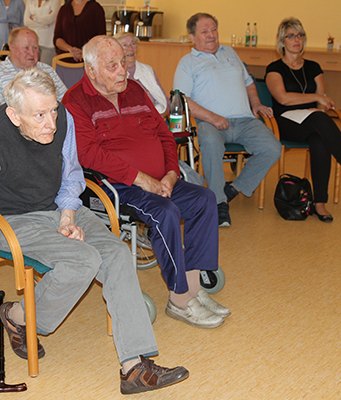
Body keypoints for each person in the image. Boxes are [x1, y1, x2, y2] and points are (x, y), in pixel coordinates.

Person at [0, 68, 189, 395]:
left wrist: (67, 217)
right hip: (10, 218)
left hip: (56, 209)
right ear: (14, 115)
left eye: (53, 110)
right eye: (39, 115)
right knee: (83, 260)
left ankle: (133, 366)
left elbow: (71, 176)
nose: (51, 122)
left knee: (118, 254)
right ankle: (19, 316)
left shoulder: (60, 118)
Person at [63, 36, 230, 329]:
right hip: (115, 187)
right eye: (112, 65)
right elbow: (88, 154)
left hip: (158, 180)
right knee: (165, 212)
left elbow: (165, 136)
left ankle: (193, 288)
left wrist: (169, 174)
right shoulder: (76, 101)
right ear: (90, 70)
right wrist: (143, 180)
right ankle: (179, 300)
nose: (122, 71)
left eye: (124, 63)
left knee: (204, 200)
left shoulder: (136, 90)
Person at [265, 17, 341, 222]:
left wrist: (318, 105)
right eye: (291, 36)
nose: (296, 40)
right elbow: (283, 98)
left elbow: (324, 103)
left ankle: (319, 203)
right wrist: (316, 99)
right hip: (285, 122)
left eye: (300, 35)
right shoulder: (275, 69)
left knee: (320, 139)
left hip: (311, 119)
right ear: (282, 41)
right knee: (319, 121)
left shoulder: (313, 67)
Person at [173, 13, 282, 227]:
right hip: (210, 122)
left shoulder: (230, 52)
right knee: (211, 144)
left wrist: (257, 104)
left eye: (214, 29)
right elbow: (181, 98)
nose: (211, 35)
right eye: (205, 32)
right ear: (192, 37)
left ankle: (233, 188)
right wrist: (212, 118)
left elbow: (249, 83)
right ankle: (219, 203)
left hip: (245, 120)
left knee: (272, 148)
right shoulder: (187, 63)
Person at [0, 27, 66, 118]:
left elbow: (66, 101)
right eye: (26, 48)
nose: (32, 53)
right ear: (12, 47)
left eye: (35, 48)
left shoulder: (48, 71)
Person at [114, 32, 170, 116]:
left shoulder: (147, 70)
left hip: (156, 119)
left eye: (133, 44)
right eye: (125, 45)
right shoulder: (115, 74)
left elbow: (166, 102)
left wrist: (158, 119)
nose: (130, 48)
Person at [24, 0, 60, 65]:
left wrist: (34, 17)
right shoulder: (30, 1)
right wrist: (45, 24)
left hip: (47, 43)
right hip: (32, 43)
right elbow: (26, 22)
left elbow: (51, 18)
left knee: (45, 71)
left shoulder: (55, 1)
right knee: (31, 70)